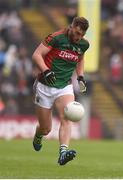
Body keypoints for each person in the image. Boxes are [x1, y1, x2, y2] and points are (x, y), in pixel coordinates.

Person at [32, 17, 90, 165]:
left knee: (67, 116)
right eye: (76, 33)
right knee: (46, 129)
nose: (78, 38)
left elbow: (80, 58)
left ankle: (63, 152)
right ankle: (39, 135)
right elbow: (36, 55)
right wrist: (46, 71)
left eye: (81, 35)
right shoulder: (56, 38)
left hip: (64, 86)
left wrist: (81, 76)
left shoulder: (83, 44)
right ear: (71, 27)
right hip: (45, 86)